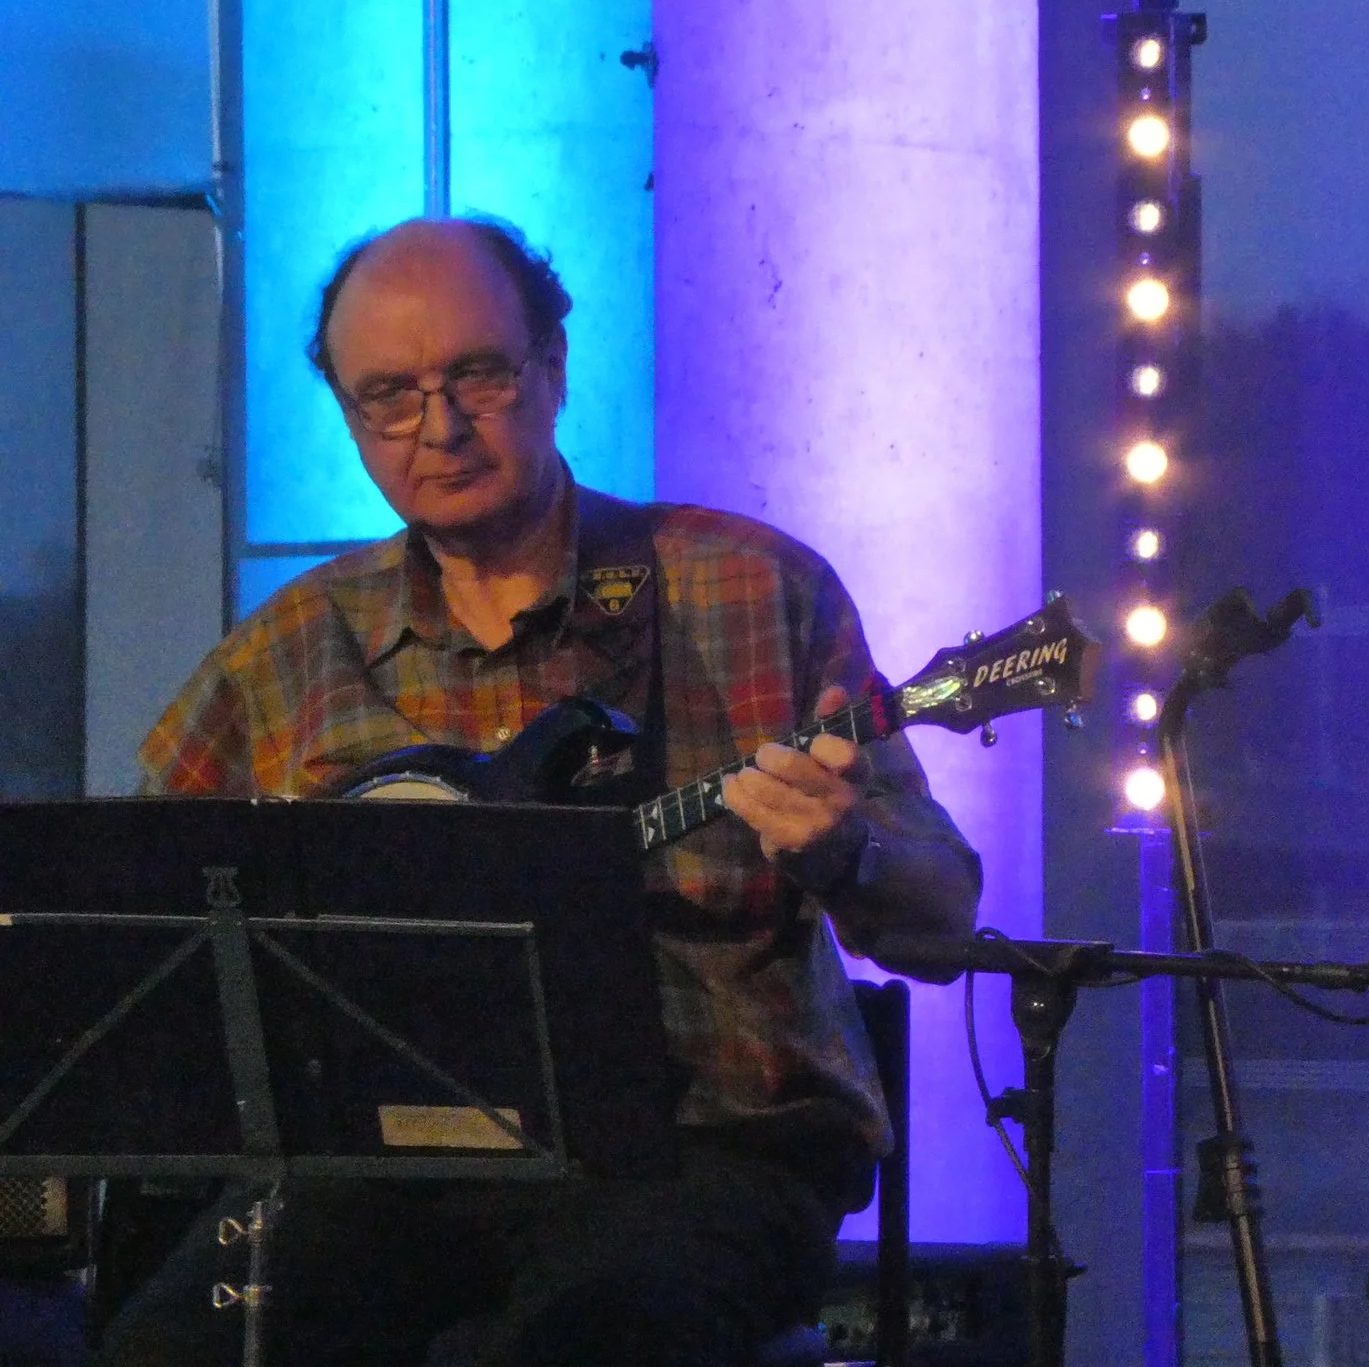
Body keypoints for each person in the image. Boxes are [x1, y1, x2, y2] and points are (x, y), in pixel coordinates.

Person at [95, 217, 982, 1366]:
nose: (440, 426)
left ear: (553, 366)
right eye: (388, 396)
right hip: (384, 1166)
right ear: (350, 418)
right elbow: (131, 915)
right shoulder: (292, 650)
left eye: (477, 373)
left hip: (702, 1152)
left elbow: (943, 923)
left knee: (565, 1343)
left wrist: (844, 851)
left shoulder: (752, 586)